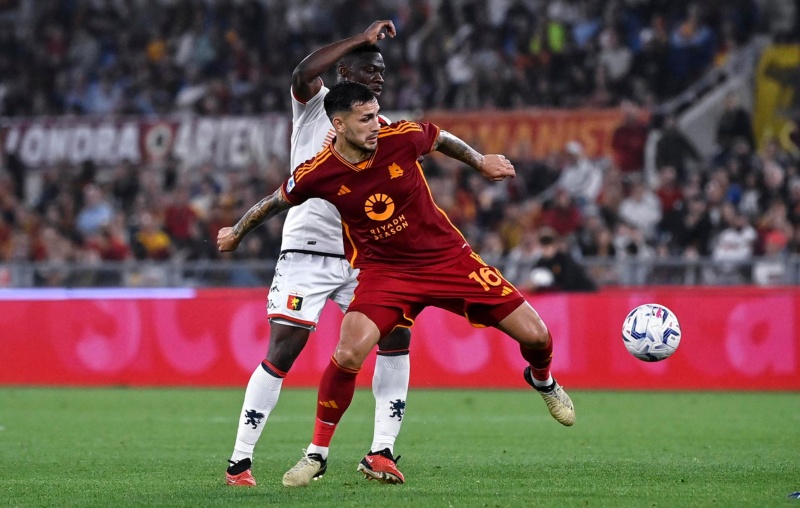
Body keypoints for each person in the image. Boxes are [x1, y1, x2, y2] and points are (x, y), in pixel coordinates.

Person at [217, 81, 576, 486]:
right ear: (339, 123)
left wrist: (480, 162)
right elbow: (274, 201)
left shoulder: (400, 138)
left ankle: (542, 380)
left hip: (447, 259)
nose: (376, 124)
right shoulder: (320, 172)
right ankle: (317, 454)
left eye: (376, 114)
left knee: (538, 335)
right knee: (349, 351)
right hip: (386, 272)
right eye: (366, 118)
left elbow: (440, 137)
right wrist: (237, 232)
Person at [223, 21, 412, 488]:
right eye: (371, 68)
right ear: (345, 69)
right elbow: (303, 70)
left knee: (395, 339)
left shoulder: (381, 131)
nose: (380, 78)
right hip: (307, 251)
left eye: (383, 71)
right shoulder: (314, 110)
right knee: (284, 350)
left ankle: (381, 452)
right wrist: (360, 38)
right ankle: (240, 462)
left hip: (362, 259)